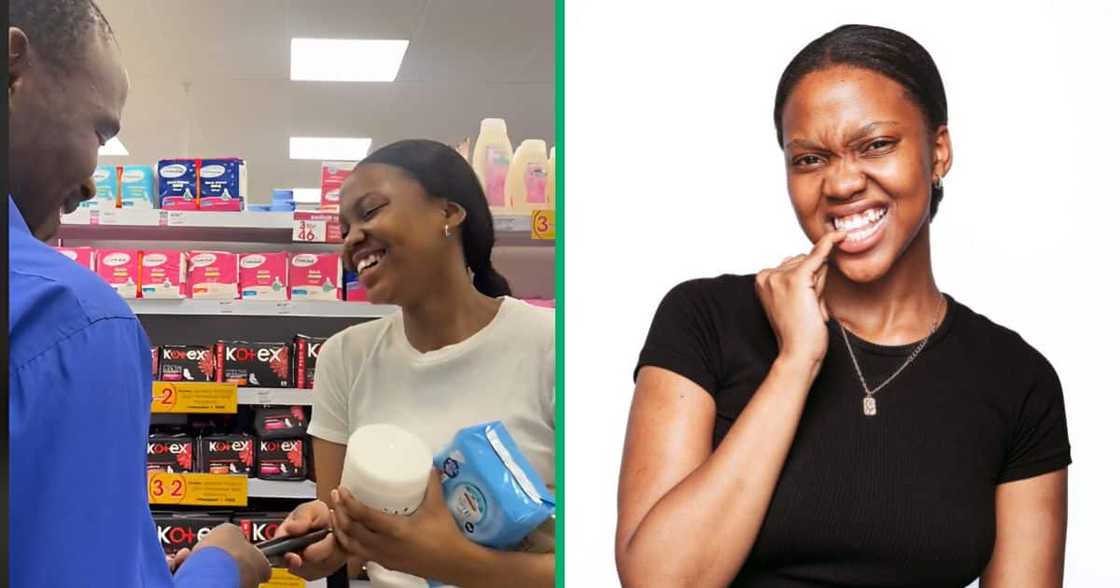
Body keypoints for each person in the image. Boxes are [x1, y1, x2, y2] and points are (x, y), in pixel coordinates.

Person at [616, 24, 1071, 587]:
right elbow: (658, 581)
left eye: (876, 145)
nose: (841, 183)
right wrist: (796, 363)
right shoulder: (705, 319)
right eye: (810, 159)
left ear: (938, 152)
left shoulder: (1015, 379)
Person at [8, 2, 271, 586]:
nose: (89, 182)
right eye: (99, 132)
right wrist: (219, 567)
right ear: (12, 69)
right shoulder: (69, 320)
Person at [273, 139, 555, 587]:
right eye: (344, 229)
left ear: (448, 212)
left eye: (370, 211)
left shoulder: (552, 345)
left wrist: (446, 560)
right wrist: (326, 538)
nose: (351, 239)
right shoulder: (345, 358)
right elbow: (345, 546)